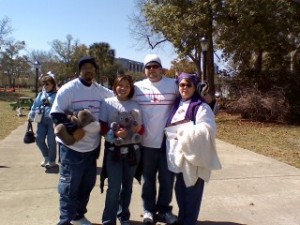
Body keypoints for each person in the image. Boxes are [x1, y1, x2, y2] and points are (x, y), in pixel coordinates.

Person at [50, 56, 114, 225]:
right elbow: (55, 114)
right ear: (80, 70)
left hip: (92, 149)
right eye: (85, 67)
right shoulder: (69, 89)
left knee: (87, 185)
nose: (89, 70)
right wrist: (73, 130)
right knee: (69, 187)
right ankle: (65, 221)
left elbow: (118, 99)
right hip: (72, 149)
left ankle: (78, 216)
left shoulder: (101, 90)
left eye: (91, 68)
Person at [165, 72, 222, 225]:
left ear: (194, 87)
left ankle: (189, 222)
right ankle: (184, 220)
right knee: (181, 194)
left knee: (192, 197)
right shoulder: (177, 103)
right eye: (182, 84)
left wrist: (183, 133)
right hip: (177, 159)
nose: (184, 88)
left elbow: (208, 129)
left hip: (192, 160)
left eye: (188, 84)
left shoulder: (201, 106)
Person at [132, 54, 178, 224]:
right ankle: (148, 210)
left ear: (161, 68)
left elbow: (189, 94)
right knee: (148, 180)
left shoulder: (173, 85)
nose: (151, 70)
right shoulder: (137, 88)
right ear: (145, 70)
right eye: (148, 67)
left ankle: (164, 210)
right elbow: (119, 96)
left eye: (155, 66)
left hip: (168, 144)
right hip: (146, 144)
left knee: (167, 180)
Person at [99, 74, 144, 225]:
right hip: (114, 151)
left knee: (128, 186)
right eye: (120, 84)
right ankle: (108, 220)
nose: (123, 88)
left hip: (133, 151)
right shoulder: (107, 103)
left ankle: (124, 216)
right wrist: (114, 134)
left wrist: (138, 129)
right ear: (115, 86)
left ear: (131, 88)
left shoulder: (135, 105)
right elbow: (102, 126)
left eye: (126, 85)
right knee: (113, 188)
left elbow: (141, 128)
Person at [28, 75, 57, 169]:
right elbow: (35, 105)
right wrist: (31, 115)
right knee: (39, 139)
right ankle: (46, 157)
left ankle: (51, 161)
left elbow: (61, 107)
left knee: (51, 142)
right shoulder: (41, 94)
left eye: (47, 84)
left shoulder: (57, 94)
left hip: (52, 120)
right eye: (44, 84)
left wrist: (51, 103)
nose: (45, 86)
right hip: (40, 120)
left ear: (53, 84)